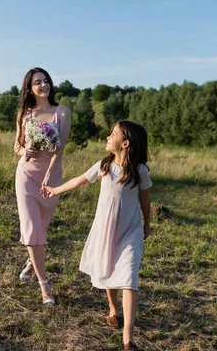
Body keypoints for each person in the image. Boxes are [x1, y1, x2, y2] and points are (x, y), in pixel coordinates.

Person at [43, 121, 151, 350]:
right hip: (107, 229)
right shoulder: (104, 165)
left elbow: (145, 201)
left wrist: (147, 225)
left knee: (130, 278)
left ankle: (128, 338)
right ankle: (113, 309)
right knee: (109, 268)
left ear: (125, 143)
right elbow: (79, 181)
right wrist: (55, 190)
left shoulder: (140, 171)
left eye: (112, 134)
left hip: (130, 231)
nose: (107, 136)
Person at [14, 67, 71, 305]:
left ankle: (31, 263)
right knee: (31, 230)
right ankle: (44, 285)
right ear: (30, 87)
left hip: (51, 178)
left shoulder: (63, 112)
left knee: (41, 227)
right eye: (38, 82)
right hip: (26, 175)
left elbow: (60, 148)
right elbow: (16, 147)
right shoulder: (24, 114)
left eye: (46, 81)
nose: (43, 85)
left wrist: (49, 174)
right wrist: (24, 150)